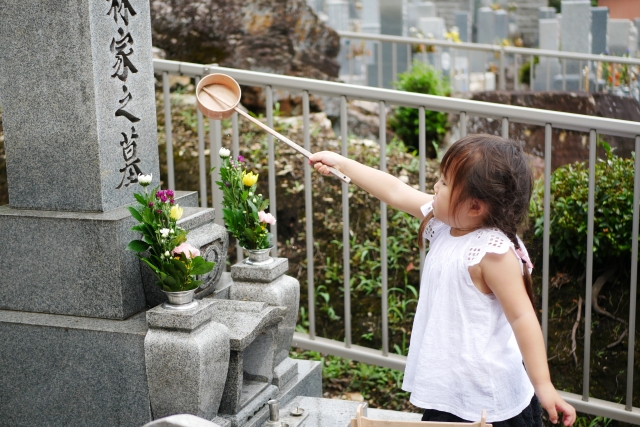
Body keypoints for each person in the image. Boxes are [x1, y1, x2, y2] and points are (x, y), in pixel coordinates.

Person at [309, 134, 576, 427]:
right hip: (449, 392)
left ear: (476, 207)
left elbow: (523, 318)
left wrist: (544, 385)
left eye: (446, 183)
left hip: (491, 401)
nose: (436, 187)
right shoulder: (445, 222)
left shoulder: (492, 252)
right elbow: (395, 190)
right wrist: (342, 163)